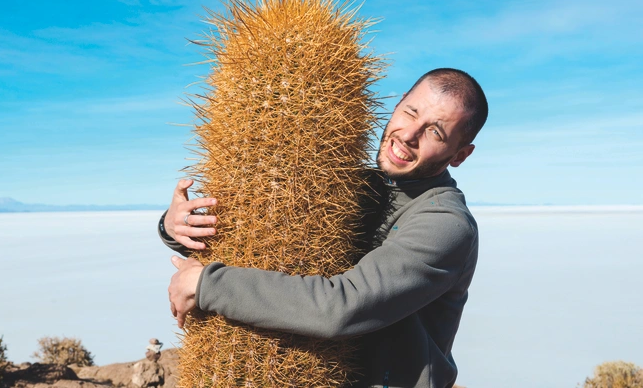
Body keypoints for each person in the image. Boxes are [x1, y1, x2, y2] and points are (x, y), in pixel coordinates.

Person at [162, 68, 488, 388]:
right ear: (399, 102)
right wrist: (177, 225)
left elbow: (342, 308)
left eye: (435, 132)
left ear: (460, 155)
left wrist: (208, 285)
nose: (408, 135)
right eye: (410, 112)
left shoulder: (445, 223)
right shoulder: (355, 183)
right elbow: (267, 245)